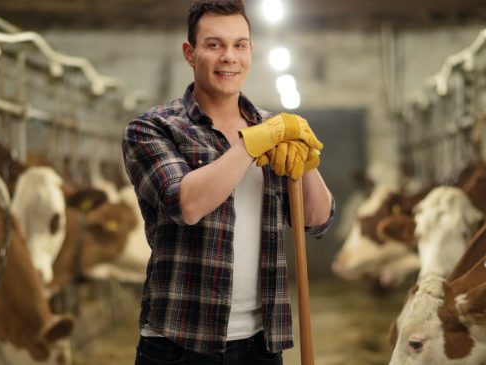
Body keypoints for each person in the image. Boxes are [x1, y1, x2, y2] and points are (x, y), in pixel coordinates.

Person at [121, 1, 335, 364]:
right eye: (214, 44)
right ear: (190, 53)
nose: (228, 57)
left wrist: (307, 163)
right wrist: (251, 144)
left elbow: (316, 221)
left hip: (261, 344)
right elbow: (185, 204)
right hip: (179, 345)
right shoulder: (152, 129)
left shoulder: (273, 127)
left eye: (239, 45)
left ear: (251, 51)